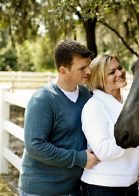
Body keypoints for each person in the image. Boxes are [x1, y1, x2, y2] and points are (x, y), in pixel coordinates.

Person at [18, 40, 100, 196]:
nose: (89, 71)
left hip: (74, 189)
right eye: (82, 68)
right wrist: (79, 158)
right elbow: (35, 145)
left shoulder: (86, 95)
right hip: (41, 190)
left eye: (89, 65)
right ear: (63, 71)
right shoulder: (43, 99)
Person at [80, 54, 139, 196]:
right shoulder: (94, 107)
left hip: (130, 185)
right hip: (102, 187)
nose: (120, 73)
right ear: (100, 80)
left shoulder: (130, 103)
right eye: (112, 72)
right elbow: (104, 151)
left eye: (119, 68)